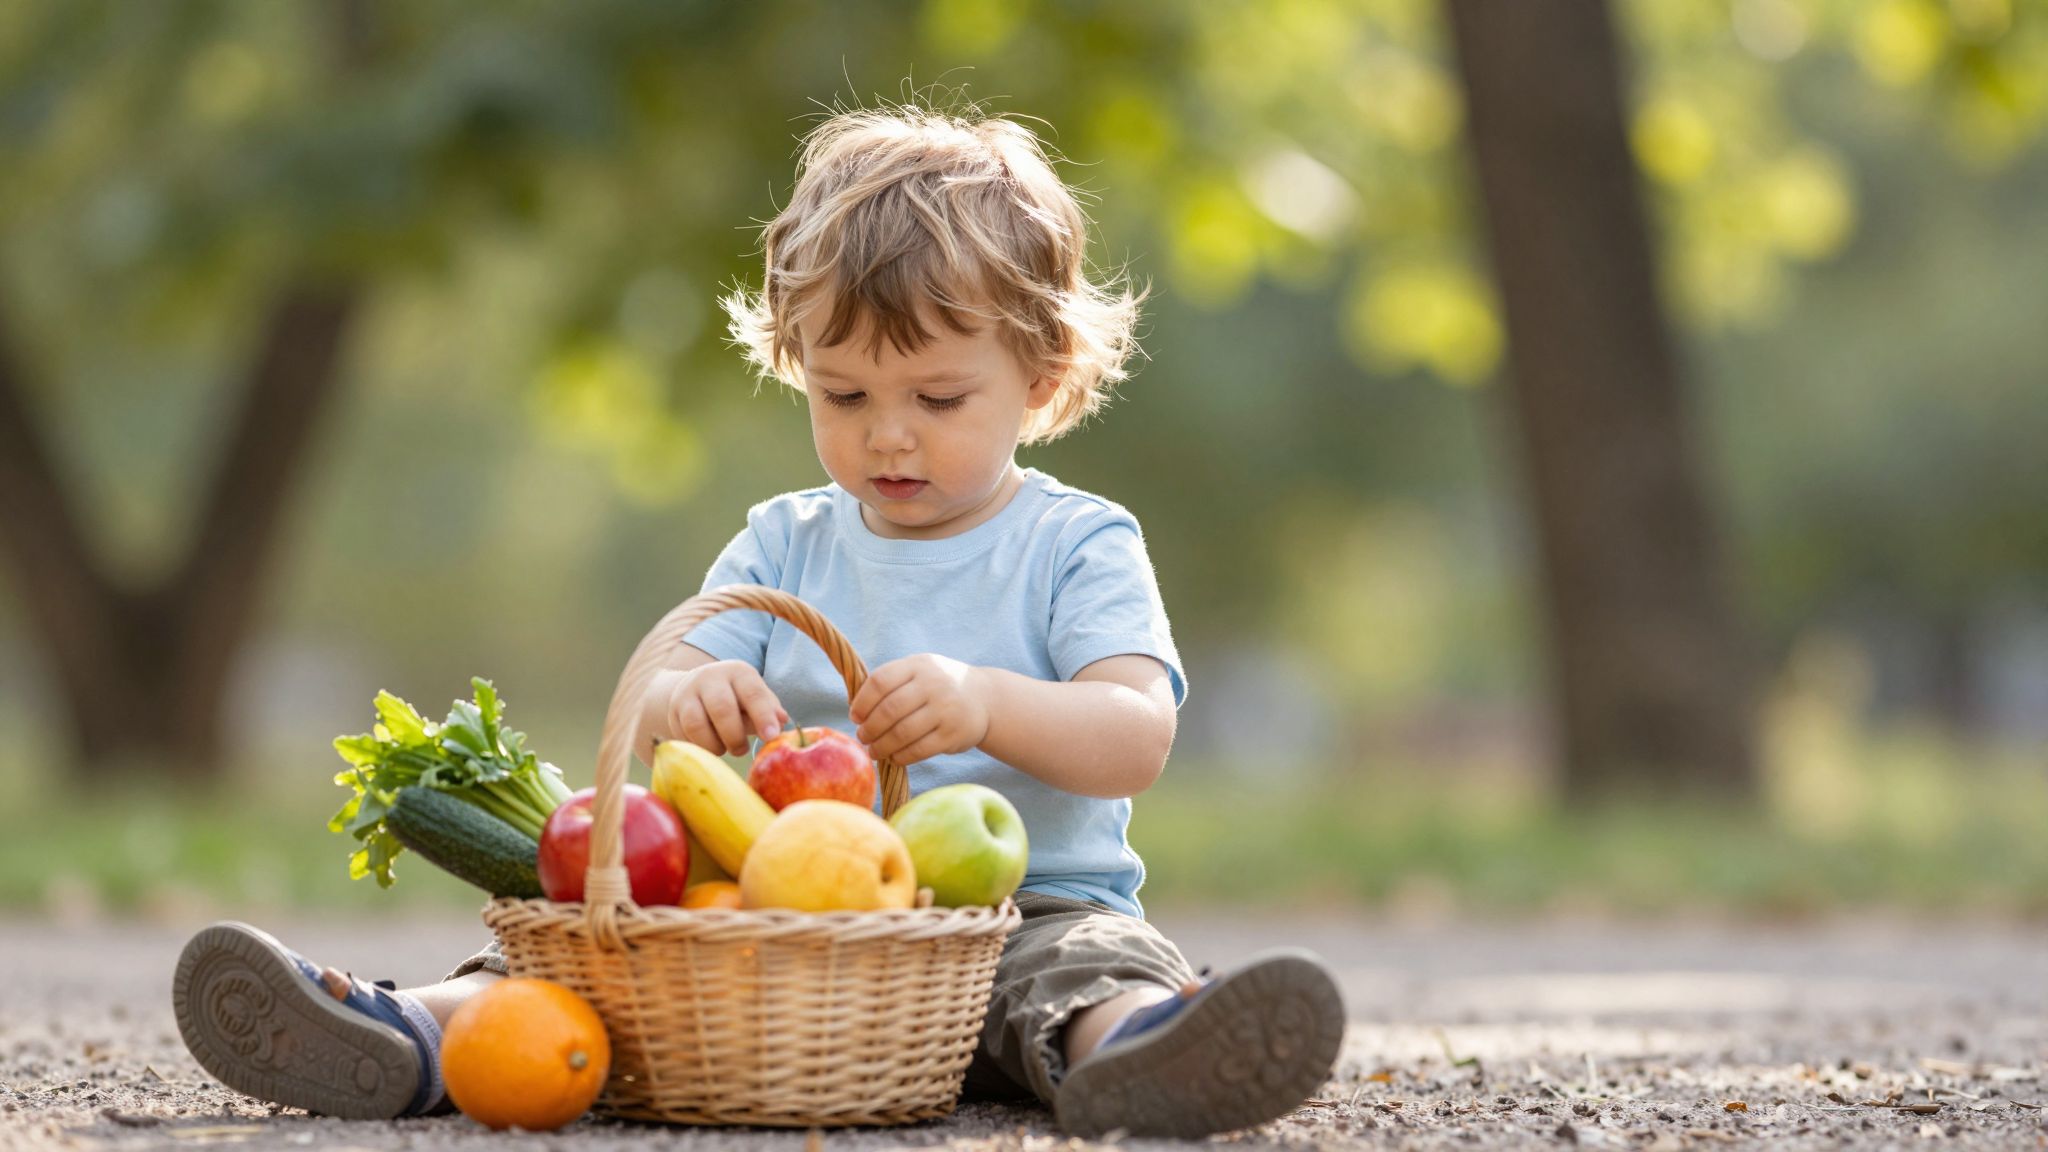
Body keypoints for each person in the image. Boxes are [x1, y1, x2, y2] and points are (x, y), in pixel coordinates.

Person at [173, 101, 1346, 1138]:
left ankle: (1149, 1053)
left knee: (1080, 977)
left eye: (937, 397)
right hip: (772, 917)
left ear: (1038, 378)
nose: (887, 435)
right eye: (842, 396)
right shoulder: (785, 538)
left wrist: (987, 702)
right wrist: (691, 695)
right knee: (600, 953)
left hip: (1007, 913)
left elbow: (1134, 729)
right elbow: (670, 674)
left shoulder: (1075, 542)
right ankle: (408, 1034)